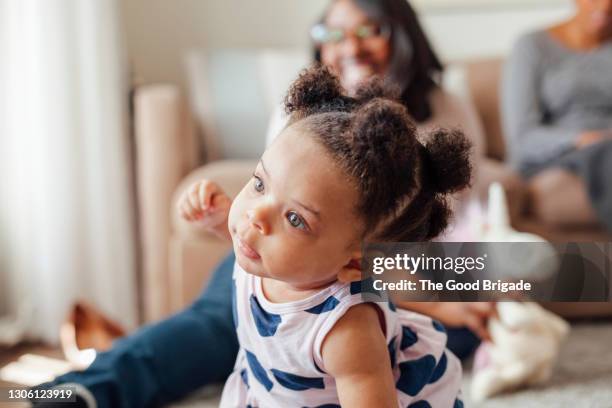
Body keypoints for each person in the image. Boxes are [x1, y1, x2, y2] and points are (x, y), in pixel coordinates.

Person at [35, 1, 492, 406]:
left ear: (401, 32)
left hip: (395, 276)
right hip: (273, 259)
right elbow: (274, 206)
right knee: (218, 323)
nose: (348, 46)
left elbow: (460, 231)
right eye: (332, 34)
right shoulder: (305, 117)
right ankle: (91, 386)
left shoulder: (447, 111)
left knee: (454, 331)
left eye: (367, 28)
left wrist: (439, 299)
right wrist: (224, 219)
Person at [180, 65, 467, 408]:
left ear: (355, 264)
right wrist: (217, 221)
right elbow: (265, 246)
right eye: (259, 184)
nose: (255, 216)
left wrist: (454, 293)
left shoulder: (347, 331)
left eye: (294, 219)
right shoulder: (268, 252)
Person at [502, 0, 612, 231]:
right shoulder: (533, 46)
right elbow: (522, 137)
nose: (604, 6)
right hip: (561, 153)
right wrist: (581, 139)